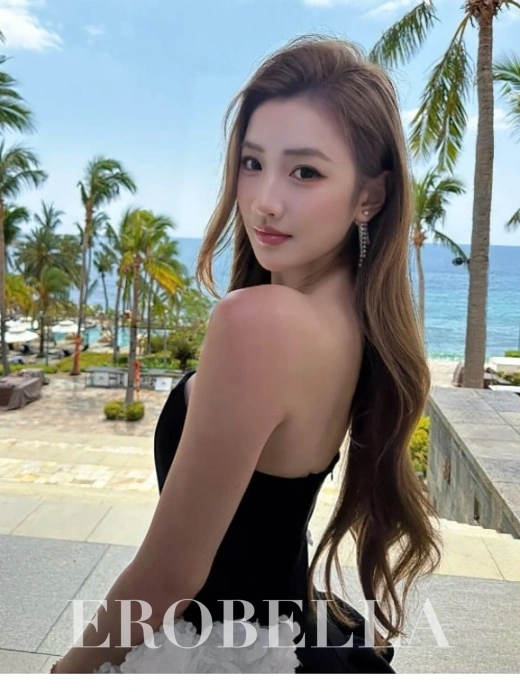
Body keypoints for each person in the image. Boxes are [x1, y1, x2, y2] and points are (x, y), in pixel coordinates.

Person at [51, 34, 442, 674]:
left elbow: (169, 573)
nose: (265, 200)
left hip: (223, 653)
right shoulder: (355, 322)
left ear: (369, 195)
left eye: (306, 171)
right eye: (253, 162)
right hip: (286, 638)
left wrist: (64, 675)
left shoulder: (257, 323)